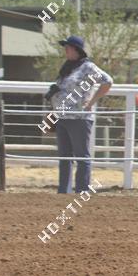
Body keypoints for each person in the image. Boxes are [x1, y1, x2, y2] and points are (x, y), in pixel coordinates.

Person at [45, 36, 113, 193]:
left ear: (77, 50)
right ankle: (64, 190)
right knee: (64, 156)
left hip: (79, 118)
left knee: (82, 156)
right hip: (62, 117)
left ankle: (81, 190)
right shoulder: (68, 67)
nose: (66, 50)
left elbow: (107, 81)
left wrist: (91, 102)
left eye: (68, 48)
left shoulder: (88, 67)